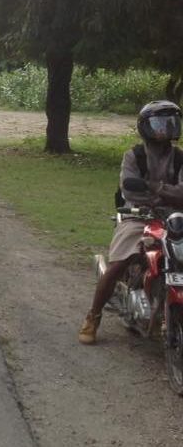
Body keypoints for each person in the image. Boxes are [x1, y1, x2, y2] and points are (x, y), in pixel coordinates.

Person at [79, 101, 183, 344]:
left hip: (174, 219)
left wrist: (156, 188)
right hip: (138, 216)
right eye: (158, 124)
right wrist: (168, 193)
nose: (164, 129)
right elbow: (131, 189)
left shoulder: (180, 158)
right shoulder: (134, 156)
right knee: (118, 264)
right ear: (145, 127)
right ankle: (93, 316)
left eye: (170, 123)